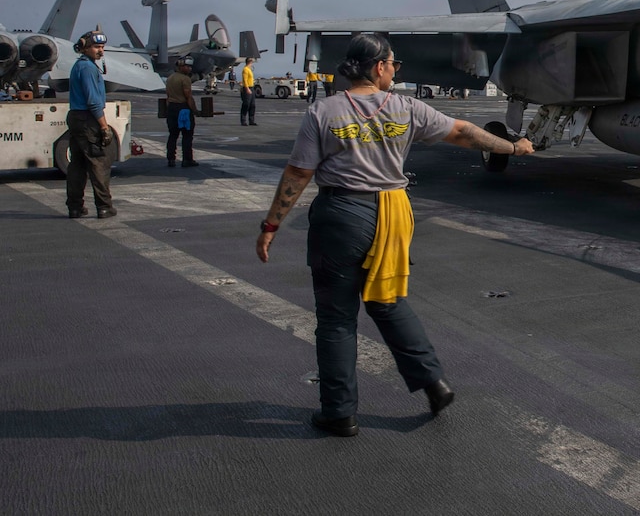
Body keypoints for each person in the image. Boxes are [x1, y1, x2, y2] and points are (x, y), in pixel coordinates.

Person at [256, 34, 535, 437]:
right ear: (379, 67)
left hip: (341, 213)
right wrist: (511, 147)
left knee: (336, 319)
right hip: (391, 214)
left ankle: (339, 412)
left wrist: (270, 226)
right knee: (387, 302)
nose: (396, 70)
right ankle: (432, 382)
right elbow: (463, 132)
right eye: (394, 64)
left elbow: (298, 174)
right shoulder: (406, 108)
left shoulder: (324, 111)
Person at [66, 29, 116, 219]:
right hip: (88, 120)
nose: (100, 51)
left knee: (77, 165)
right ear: (85, 47)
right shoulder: (87, 68)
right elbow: (93, 101)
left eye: (102, 47)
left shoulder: (79, 66)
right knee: (98, 164)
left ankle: (75, 207)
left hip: (76, 118)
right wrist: (103, 126)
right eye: (96, 47)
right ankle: (104, 207)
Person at [165, 56, 200, 168]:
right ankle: (187, 160)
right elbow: (188, 97)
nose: (189, 68)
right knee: (187, 136)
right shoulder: (185, 79)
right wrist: (195, 110)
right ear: (181, 67)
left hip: (171, 109)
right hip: (183, 110)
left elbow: (168, 96)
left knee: (173, 135)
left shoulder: (170, 78)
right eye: (187, 66)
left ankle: (171, 159)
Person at [240, 58, 256, 126]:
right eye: (251, 62)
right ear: (249, 62)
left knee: (252, 105)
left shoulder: (249, 69)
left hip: (251, 87)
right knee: (246, 104)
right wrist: (247, 89)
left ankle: (251, 120)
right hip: (247, 88)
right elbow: (245, 80)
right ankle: (243, 121)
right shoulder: (245, 69)